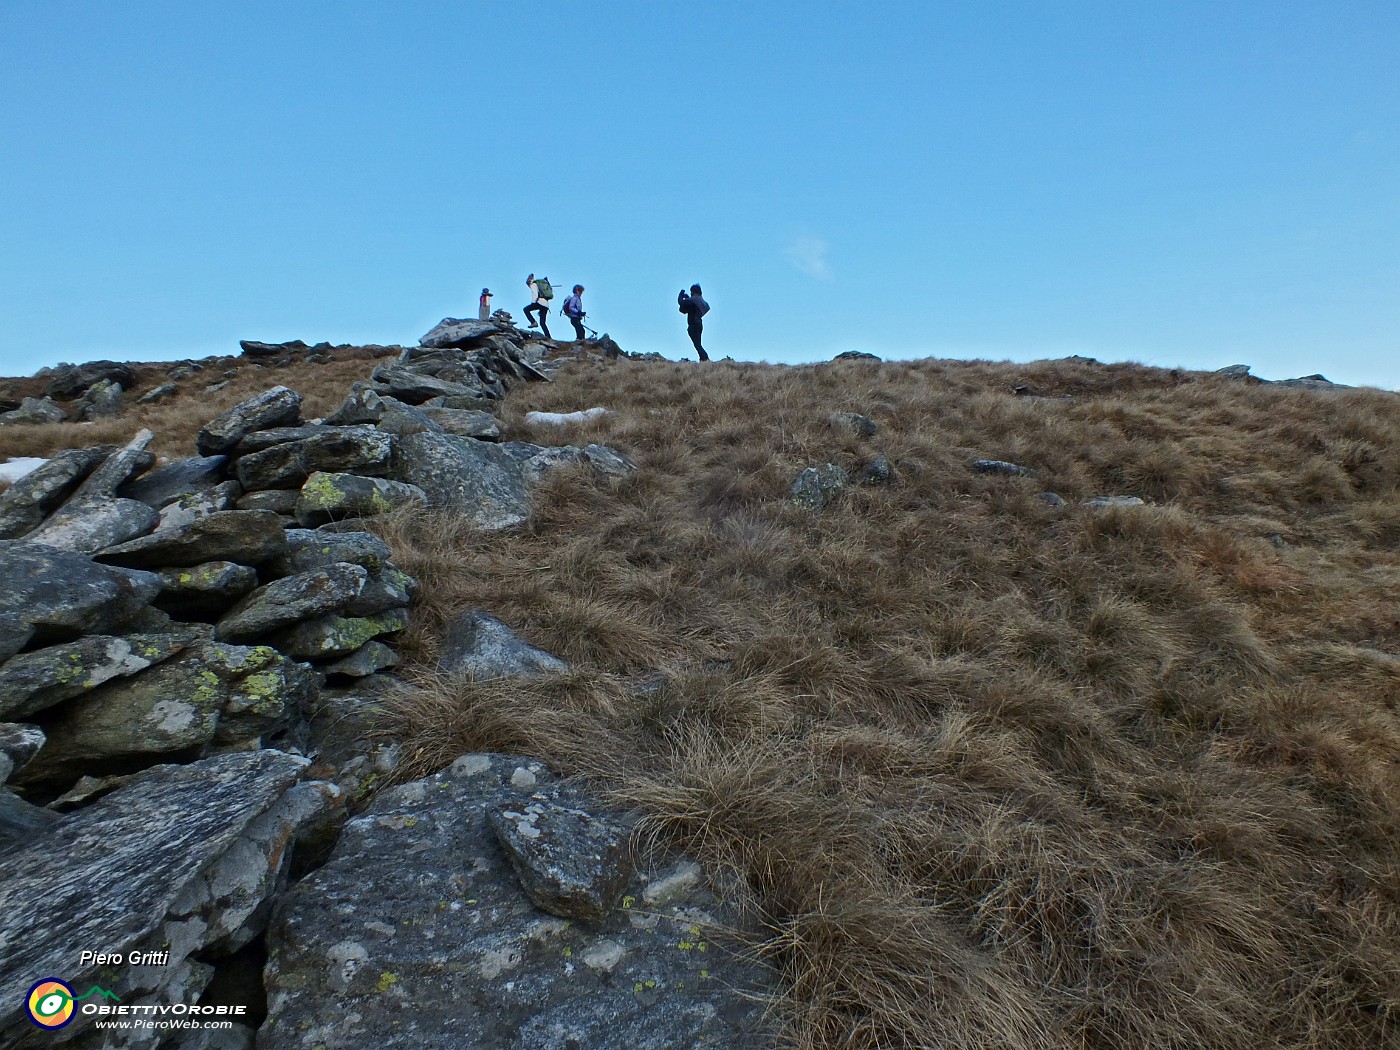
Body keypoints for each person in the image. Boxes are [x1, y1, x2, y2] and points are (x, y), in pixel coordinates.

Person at [677, 283, 710, 361]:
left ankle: (705, 358)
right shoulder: (701, 301)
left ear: (693, 291)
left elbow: (681, 303)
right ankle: (703, 360)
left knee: (697, 344)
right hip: (699, 324)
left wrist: (681, 294)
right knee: (698, 344)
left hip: (693, 324)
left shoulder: (693, 299)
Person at [523, 273, 552, 339]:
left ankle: (533, 322)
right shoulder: (539, 284)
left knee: (526, 309)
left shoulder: (533, 284)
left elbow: (535, 294)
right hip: (546, 305)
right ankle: (548, 336)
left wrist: (533, 303)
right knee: (542, 322)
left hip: (540, 302)